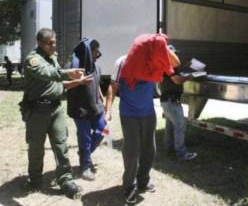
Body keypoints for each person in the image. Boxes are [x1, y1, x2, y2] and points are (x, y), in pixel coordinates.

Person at [106, 34, 180, 204]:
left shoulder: (153, 61)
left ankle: (143, 181)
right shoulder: (122, 62)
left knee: (150, 149)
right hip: (129, 114)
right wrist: (108, 110)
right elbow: (113, 87)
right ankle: (129, 186)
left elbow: (175, 63)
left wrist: (162, 46)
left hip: (148, 113)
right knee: (131, 151)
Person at [21, 28, 92, 198]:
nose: (54, 46)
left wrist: (77, 82)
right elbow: (48, 74)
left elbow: (58, 85)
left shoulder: (52, 57)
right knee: (36, 147)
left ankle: (65, 180)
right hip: (37, 111)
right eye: (50, 43)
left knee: (61, 145)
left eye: (55, 42)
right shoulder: (32, 60)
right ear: (40, 43)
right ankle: (35, 179)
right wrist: (68, 72)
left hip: (56, 109)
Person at [67, 38, 106, 181]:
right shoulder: (73, 67)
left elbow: (97, 85)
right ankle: (85, 167)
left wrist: (102, 99)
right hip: (81, 110)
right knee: (85, 138)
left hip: (96, 108)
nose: (98, 54)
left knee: (104, 130)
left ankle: (85, 154)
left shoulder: (97, 68)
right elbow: (65, 86)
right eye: (96, 51)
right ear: (89, 51)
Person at [160, 45, 198, 161]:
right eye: (174, 54)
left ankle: (169, 148)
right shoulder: (169, 67)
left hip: (167, 100)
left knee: (170, 127)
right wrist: (189, 77)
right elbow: (177, 80)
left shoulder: (165, 66)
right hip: (172, 101)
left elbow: (174, 76)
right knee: (180, 126)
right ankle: (181, 154)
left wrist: (185, 67)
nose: (176, 56)